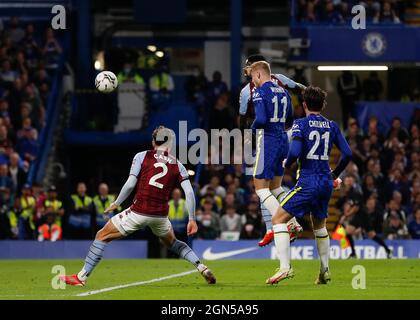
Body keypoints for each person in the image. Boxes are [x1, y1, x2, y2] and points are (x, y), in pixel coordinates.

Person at [60, 126, 216, 286]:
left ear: (153, 141)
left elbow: (130, 184)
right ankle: (201, 266)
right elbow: (189, 193)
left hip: (139, 212)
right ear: (170, 144)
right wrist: (192, 219)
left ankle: (82, 277)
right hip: (160, 216)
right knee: (173, 243)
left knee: (101, 235)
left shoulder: (142, 156)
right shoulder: (178, 164)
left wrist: (116, 203)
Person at [267, 86, 352, 285]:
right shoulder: (332, 125)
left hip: (308, 181)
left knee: (278, 219)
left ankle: (285, 268)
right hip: (325, 182)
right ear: (322, 105)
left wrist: (286, 163)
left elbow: (295, 151)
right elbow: (348, 154)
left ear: (304, 105)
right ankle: (325, 271)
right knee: (320, 226)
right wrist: (334, 175)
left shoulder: (300, 125)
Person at [239, 54, 305, 246]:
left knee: (260, 189)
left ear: (258, 73)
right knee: (276, 187)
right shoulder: (283, 90)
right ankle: (294, 223)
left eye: (252, 75)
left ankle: (285, 223)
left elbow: (258, 120)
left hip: (267, 140)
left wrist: (250, 133)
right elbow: (291, 118)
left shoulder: (257, 91)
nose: (251, 79)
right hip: (283, 138)